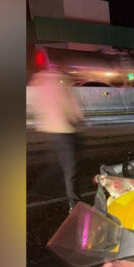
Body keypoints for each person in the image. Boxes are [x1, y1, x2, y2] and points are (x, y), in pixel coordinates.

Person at [29, 51, 85, 210]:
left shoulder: (38, 82)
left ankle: (41, 188)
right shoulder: (59, 80)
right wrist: (78, 120)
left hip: (52, 132)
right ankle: (73, 204)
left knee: (59, 165)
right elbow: (69, 104)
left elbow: (37, 105)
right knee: (71, 169)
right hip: (66, 131)